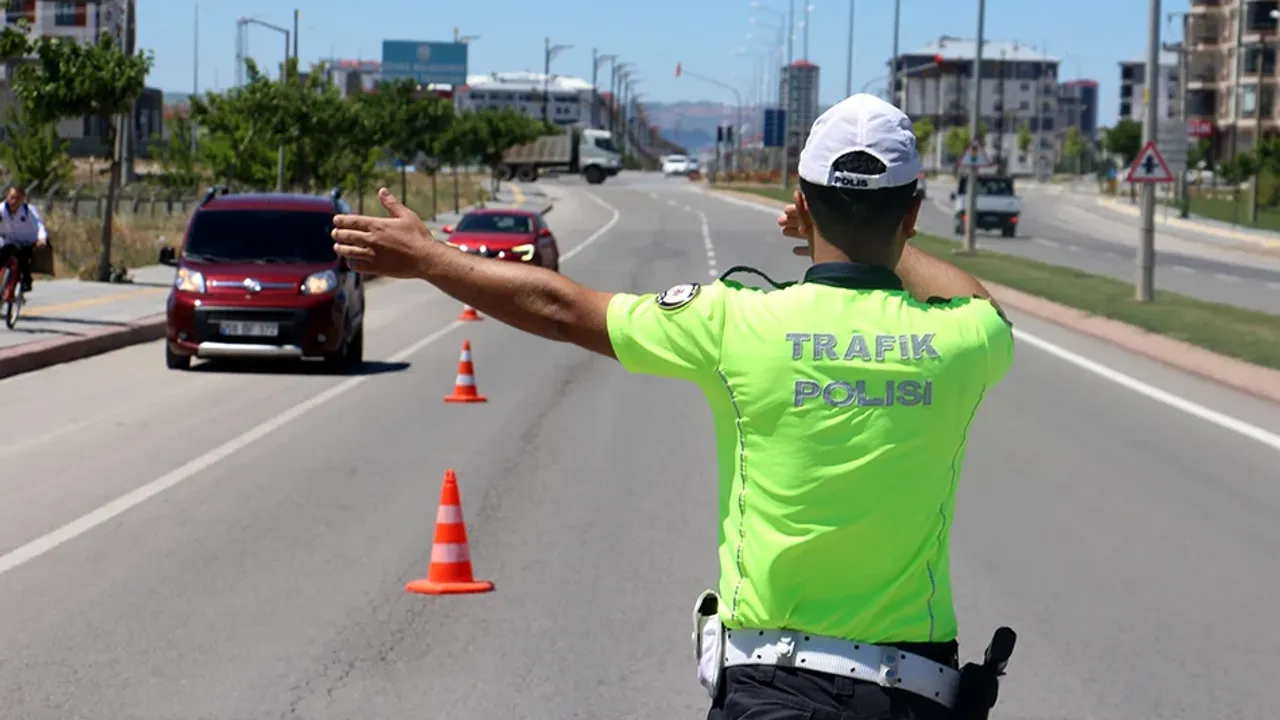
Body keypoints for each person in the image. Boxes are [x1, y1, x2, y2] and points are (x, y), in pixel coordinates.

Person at [330, 93, 1014, 720]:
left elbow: (562, 309)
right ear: (914, 212)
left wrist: (431, 258)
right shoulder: (962, 338)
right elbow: (981, 302)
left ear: (801, 202)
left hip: (772, 693)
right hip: (915, 698)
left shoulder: (735, 323)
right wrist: (892, 243)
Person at [0, 184, 50, 293]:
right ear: (7, 197)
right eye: (11, 197)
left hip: (25, 241)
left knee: (23, 260)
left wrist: (42, 239)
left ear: (23, 199)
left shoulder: (28, 211)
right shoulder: (1, 209)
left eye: (18, 198)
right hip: (7, 240)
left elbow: (39, 225)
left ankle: (25, 281)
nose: (14, 201)